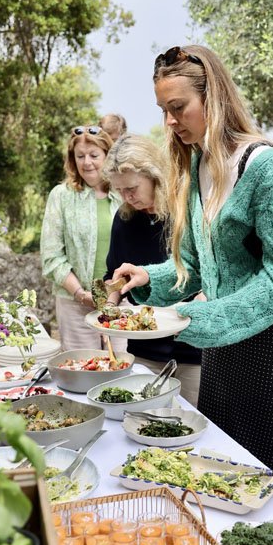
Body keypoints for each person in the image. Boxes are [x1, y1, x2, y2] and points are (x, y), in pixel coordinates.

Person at [113, 44, 273, 503]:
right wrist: (149, 280)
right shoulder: (194, 165)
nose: (170, 121)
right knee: (221, 467)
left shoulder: (266, 169)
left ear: (215, 99)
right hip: (222, 347)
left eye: (178, 107)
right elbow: (195, 268)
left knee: (266, 477)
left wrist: (203, 320)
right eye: (164, 110)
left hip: (269, 345)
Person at [102, 134, 202, 407]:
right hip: (144, 350)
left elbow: (204, 270)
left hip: (193, 349)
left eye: (132, 188)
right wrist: (107, 310)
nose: (127, 197)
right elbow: (115, 276)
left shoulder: (187, 210)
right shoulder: (124, 220)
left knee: (191, 424)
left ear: (155, 175)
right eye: (119, 191)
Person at [40, 125, 120, 348]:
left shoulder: (124, 194)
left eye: (94, 155)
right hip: (75, 305)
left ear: (107, 155)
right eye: (80, 156)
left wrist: (115, 296)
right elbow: (51, 256)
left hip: (120, 303)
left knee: (124, 371)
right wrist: (80, 294)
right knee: (83, 372)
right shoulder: (61, 196)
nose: (87, 163)